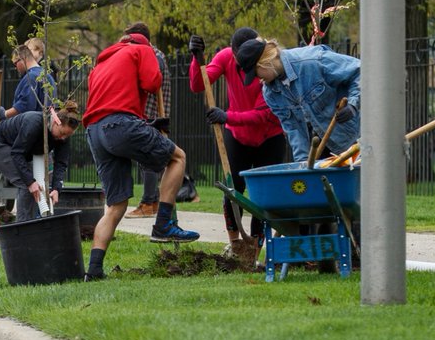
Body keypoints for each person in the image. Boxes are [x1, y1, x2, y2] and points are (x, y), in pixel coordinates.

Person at [83, 31, 200, 281]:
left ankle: (93, 271)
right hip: (121, 124)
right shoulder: (142, 50)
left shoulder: (102, 62)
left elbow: (110, 98)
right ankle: (164, 225)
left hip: (94, 130)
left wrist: (145, 122)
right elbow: (152, 82)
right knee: (177, 158)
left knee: (115, 205)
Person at [188, 27, 288, 260]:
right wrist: (197, 59)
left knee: (265, 196)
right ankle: (236, 246)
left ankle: (254, 247)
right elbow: (197, 84)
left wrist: (227, 117)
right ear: (234, 53)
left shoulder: (269, 66)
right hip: (238, 138)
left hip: (269, 137)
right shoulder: (225, 57)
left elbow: (262, 115)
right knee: (233, 192)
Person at [234, 38, 360, 164]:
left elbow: (360, 71)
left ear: (265, 62)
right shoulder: (270, 93)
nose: (258, 79)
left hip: (360, 137)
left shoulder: (312, 61)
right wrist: (302, 162)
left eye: (255, 73)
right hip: (328, 146)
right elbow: (293, 129)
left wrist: (353, 105)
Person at [0, 100, 81, 222]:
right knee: (27, 185)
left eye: (67, 136)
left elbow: (61, 163)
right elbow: (17, 153)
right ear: (56, 122)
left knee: (36, 187)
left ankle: (32, 223)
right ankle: (23, 229)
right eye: (62, 133)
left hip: (21, 152)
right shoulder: (34, 123)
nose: (63, 138)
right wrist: (30, 182)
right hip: (0, 144)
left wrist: (56, 188)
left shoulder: (63, 136)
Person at [124, 22, 177, 217]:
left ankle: (148, 204)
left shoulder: (154, 55)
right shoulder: (151, 54)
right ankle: (152, 202)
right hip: (147, 113)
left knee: (148, 159)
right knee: (147, 159)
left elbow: (151, 81)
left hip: (152, 114)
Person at [0, 44, 54, 122]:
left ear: (23, 58)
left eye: (15, 63)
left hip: (32, 128)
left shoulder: (30, 77)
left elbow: (26, 105)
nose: (15, 67)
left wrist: (4, 113)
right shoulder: (47, 75)